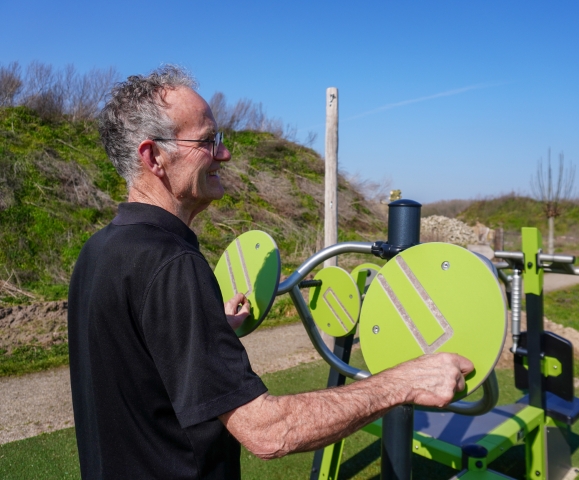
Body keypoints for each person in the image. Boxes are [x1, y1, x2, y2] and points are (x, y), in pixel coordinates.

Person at [67, 65, 473, 479]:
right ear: (154, 156)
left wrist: (204, 328)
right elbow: (268, 432)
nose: (224, 154)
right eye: (207, 141)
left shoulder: (99, 251)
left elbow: (135, 364)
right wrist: (402, 382)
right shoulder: (171, 264)